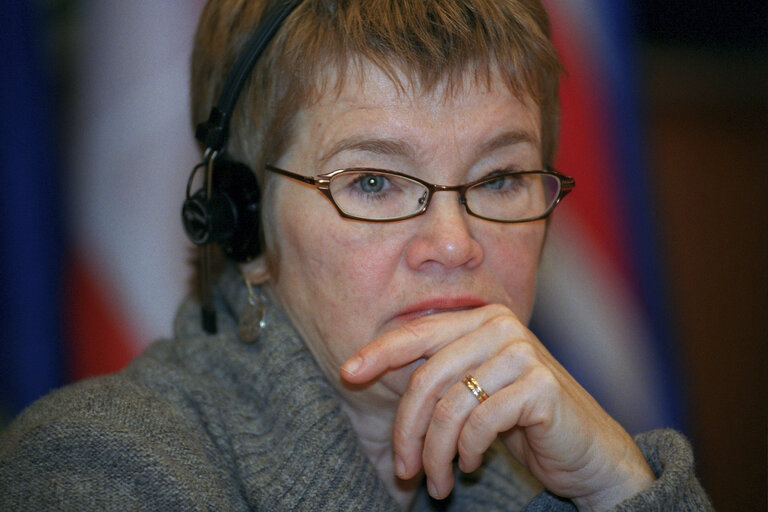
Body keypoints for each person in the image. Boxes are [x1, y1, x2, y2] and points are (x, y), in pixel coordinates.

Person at [0, 0, 713, 510]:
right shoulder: (101, 467)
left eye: (498, 180)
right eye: (374, 182)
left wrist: (622, 486)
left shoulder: (557, 474)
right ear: (243, 228)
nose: (454, 245)